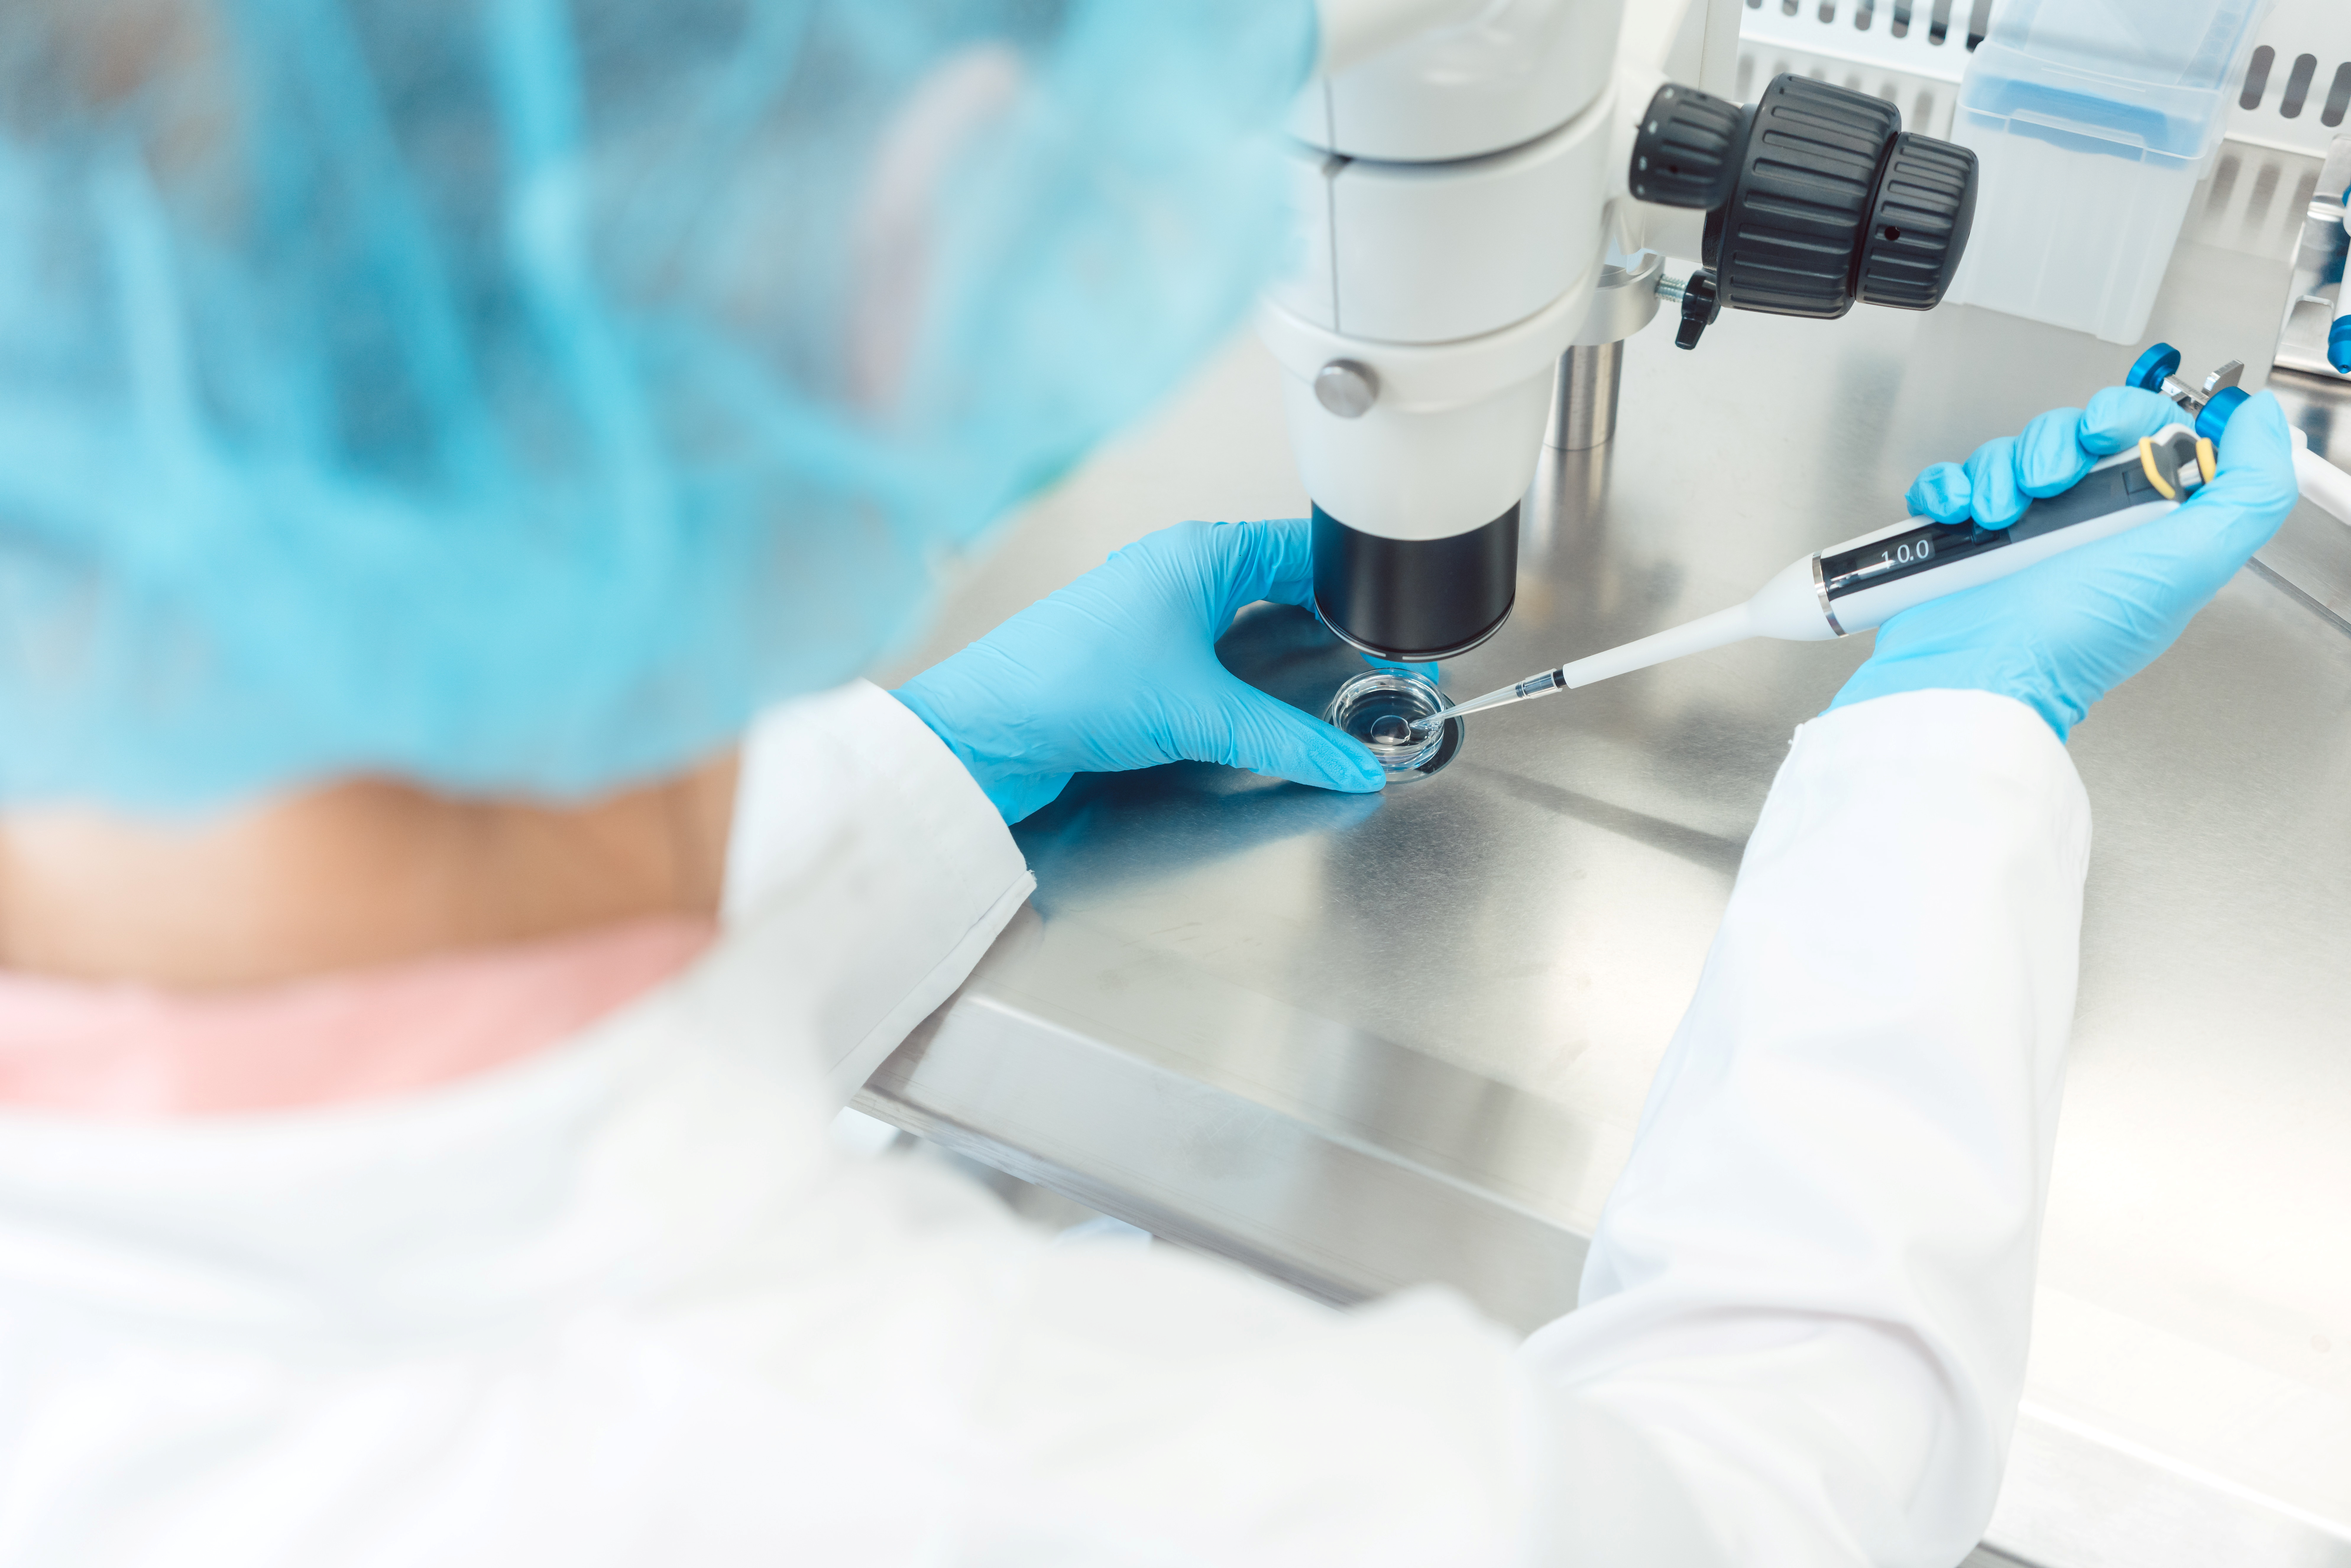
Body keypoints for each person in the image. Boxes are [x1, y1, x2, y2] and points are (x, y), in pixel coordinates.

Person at [0, 2, 2303, 1564]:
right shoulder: (1022, 1484)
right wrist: (1941, 755)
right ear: (924, 233)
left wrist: (931, 759)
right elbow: (1785, 1488)